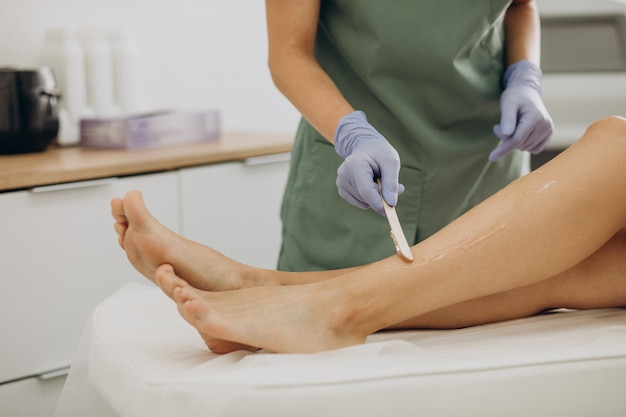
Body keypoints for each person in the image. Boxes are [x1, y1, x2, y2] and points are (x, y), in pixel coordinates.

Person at [112, 116, 626, 354]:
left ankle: (335, 308)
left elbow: (519, 8)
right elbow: (287, 49)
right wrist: (349, 129)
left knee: (619, 148)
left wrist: (524, 69)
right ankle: (261, 286)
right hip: (375, 112)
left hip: (473, 135)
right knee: (579, 264)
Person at [266, 0, 554, 271]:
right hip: (362, 172)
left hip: (485, 167)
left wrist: (525, 76)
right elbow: (289, 54)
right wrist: (352, 135)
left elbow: (521, 5)